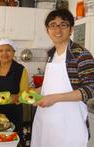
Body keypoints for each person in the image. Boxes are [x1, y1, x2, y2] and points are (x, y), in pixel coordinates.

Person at [31, 9, 94, 147]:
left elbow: (90, 89)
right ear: (47, 30)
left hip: (70, 126)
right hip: (47, 123)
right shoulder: (50, 55)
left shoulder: (81, 54)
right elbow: (51, 85)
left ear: (71, 29)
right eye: (53, 25)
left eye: (63, 24)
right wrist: (34, 92)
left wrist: (54, 98)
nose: (57, 29)